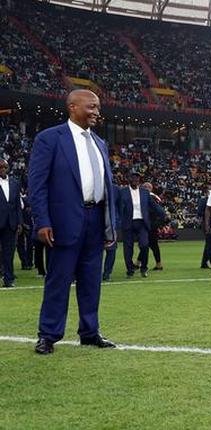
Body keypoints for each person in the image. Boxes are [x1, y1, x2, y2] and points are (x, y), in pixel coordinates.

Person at [28, 89, 118, 354]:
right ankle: (48, 334)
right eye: (91, 107)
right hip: (63, 222)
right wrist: (42, 221)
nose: (96, 112)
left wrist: (109, 223)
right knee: (59, 280)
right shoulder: (50, 139)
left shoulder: (100, 143)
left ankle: (90, 332)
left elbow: (107, 187)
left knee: (92, 280)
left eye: (98, 107)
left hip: (95, 220)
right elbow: (37, 184)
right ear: (72, 107)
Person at [119, 172, 164, 278]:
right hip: (128, 223)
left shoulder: (144, 192)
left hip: (142, 223)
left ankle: (144, 268)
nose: (135, 179)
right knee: (128, 248)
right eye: (133, 177)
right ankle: (130, 270)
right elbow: (117, 207)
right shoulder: (123, 192)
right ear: (129, 179)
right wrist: (119, 220)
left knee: (144, 245)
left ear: (139, 180)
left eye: (137, 178)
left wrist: (163, 213)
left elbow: (153, 205)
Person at [0, 159, 23, 288]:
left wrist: (20, 222)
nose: (3, 169)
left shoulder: (14, 183)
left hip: (11, 223)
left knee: (9, 252)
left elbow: (17, 206)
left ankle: (9, 279)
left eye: (5, 167)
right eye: (1, 168)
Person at [140, 182, 165, 271]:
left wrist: (156, 224)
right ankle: (139, 262)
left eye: (148, 187)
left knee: (149, 244)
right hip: (150, 223)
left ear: (151, 188)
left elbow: (158, 211)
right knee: (147, 244)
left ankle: (158, 264)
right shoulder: (154, 197)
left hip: (150, 224)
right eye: (144, 186)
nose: (146, 188)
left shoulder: (150, 197)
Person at [102, 184, 123, 282]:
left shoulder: (116, 189)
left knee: (111, 250)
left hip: (111, 224)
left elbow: (120, 206)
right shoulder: (92, 186)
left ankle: (107, 273)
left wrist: (118, 222)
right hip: (94, 224)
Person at [197, 186, 211, 269]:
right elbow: (199, 213)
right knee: (210, 243)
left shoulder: (205, 200)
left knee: (208, 243)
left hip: (210, 222)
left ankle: (204, 263)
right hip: (207, 223)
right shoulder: (204, 200)